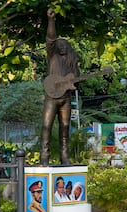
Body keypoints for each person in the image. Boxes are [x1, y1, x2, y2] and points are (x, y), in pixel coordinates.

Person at [40, 7, 80, 166]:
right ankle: (44, 156)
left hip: (66, 99)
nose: (62, 46)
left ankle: (64, 156)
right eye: (59, 44)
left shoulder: (72, 65)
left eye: (65, 45)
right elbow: (50, 39)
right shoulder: (53, 56)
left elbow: (77, 80)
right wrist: (51, 20)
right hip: (51, 97)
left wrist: (74, 82)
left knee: (65, 128)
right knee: (46, 126)